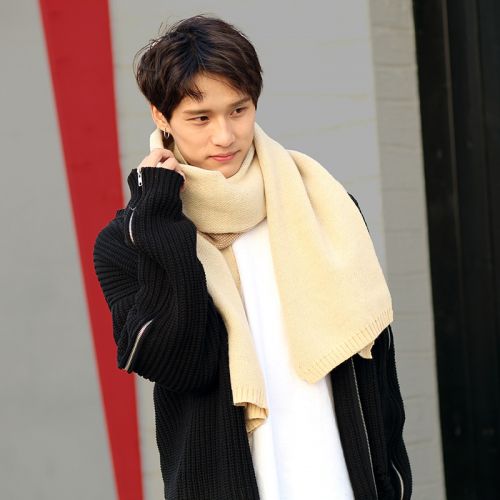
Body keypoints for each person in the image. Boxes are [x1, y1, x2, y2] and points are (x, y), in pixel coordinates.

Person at [93, 14, 412, 500]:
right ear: (160, 116)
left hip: (342, 479)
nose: (225, 135)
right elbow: (179, 363)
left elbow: (377, 362)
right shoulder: (129, 240)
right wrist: (158, 217)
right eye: (200, 118)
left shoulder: (322, 206)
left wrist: (393, 480)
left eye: (238, 110)